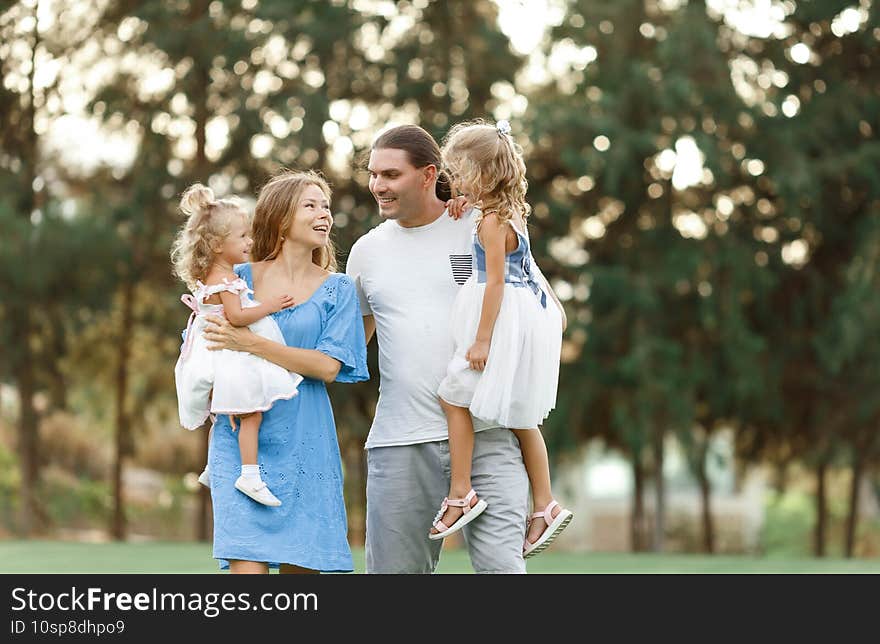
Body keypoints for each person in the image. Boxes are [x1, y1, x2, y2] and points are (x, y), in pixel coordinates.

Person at [345, 124, 530, 573]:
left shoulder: (480, 225)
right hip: (401, 442)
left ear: (429, 175)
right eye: (374, 174)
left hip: (488, 434)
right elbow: (347, 349)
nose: (378, 185)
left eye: (391, 174)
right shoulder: (366, 252)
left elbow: (538, 302)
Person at [200, 170, 369, 574]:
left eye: (325, 206)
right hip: (242, 446)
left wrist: (252, 343)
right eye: (310, 205)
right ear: (280, 219)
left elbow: (328, 367)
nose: (323, 214)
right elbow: (207, 341)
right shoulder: (236, 280)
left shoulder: (340, 289)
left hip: (306, 440)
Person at [430, 119, 573, 558]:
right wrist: (461, 206)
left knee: (453, 397)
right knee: (519, 414)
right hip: (523, 315)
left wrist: (482, 340)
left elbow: (495, 282)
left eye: (457, 174)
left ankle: (461, 492)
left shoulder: (492, 223)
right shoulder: (506, 213)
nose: (451, 182)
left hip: (499, 321)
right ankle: (545, 503)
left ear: (482, 175)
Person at [171, 183, 303, 507]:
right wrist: (270, 305)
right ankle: (250, 475)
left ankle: (211, 465)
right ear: (217, 244)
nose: (251, 242)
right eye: (243, 237)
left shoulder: (213, 274)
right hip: (232, 354)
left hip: (217, 351)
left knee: (229, 410)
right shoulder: (226, 280)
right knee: (252, 413)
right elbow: (237, 316)